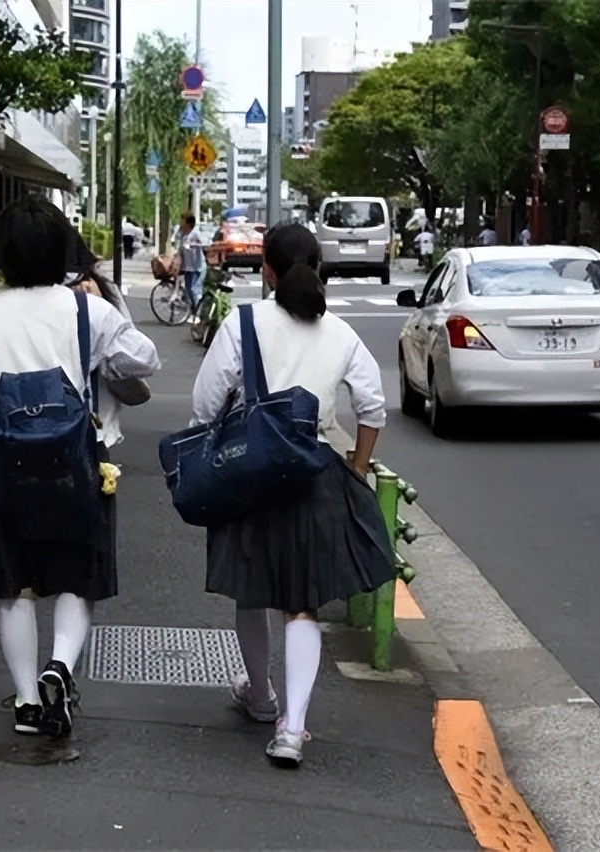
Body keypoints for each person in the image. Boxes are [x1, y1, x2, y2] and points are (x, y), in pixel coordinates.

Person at [0, 196, 160, 738]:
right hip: (78, 459)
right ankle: (59, 668)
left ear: (2, 255)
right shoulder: (88, 309)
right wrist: (98, 345)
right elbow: (145, 360)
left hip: (2, 459)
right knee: (75, 575)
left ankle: (24, 703)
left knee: (14, 583)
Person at [189, 223, 395, 769]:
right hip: (316, 475)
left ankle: (260, 695)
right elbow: (372, 409)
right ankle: (293, 727)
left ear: (267, 272)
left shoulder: (243, 323)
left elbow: (204, 405)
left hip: (251, 474)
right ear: (320, 269)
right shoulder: (343, 334)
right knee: (301, 604)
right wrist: (355, 465)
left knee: (251, 591)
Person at [176, 213, 206, 311]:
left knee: (193, 289)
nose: (181, 223)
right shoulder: (183, 234)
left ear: (189, 223)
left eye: (183, 221)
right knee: (187, 290)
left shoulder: (195, 233)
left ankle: (197, 310)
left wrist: (195, 245)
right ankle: (192, 310)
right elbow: (180, 247)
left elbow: (205, 244)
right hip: (186, 267)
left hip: (196, 266)